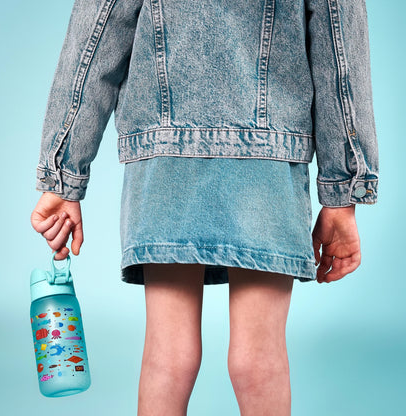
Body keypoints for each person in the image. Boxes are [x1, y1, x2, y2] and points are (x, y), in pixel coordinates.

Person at [31, 1, 378, 415]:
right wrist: (343, 191)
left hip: (164, 157)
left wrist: (63, 174)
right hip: (266, 158)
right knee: (258, 361)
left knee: (168, 358)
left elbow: (98, 31)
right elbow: (339, 41)